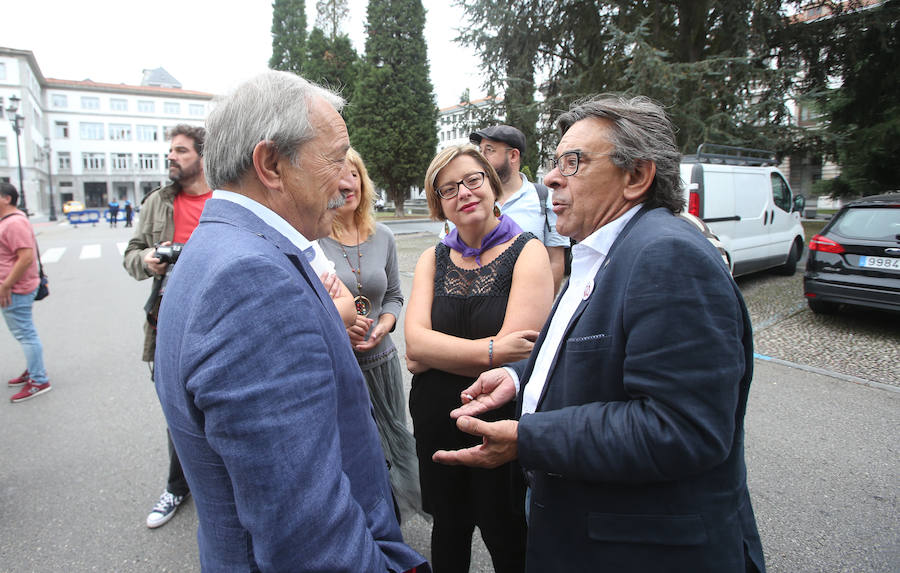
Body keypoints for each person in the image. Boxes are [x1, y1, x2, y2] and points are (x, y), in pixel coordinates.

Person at [433, 95, 766, 572]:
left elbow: (682, 428)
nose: (550, 179)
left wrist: (529, 437)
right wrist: (518, 377)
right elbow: (588, 353)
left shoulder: (667, 256)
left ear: (636, 177)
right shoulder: (604, 248)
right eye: (554, 163)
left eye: (573, 162)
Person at [153, 70, 428, 572]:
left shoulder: (220, 247)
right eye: (336, 157)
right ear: (271, 164)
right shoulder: (251, 279)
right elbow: (309, 539)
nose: (348, 179)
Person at [405, 145, 554, 572]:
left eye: (473, 180)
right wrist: (489, 351)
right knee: (448, 528)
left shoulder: (527, 251)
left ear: (491, 184)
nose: (464, 193)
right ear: (439, 204)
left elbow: (518, 352)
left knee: (505, 529)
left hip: (499, 415)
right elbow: (414, 348)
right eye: (449, 188)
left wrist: (437, 352)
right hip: (435, 416)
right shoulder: (432, 258)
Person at [318, 148, 423, 522]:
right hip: (343, 368)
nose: (349, 183)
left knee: (394, 442)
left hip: (383, 362)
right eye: (339, 175)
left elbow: (393, 295)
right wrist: (339, 328)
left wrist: (385, 323)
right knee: (358, 450)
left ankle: (394, 515)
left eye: (356, 175)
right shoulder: (314, 241)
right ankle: (364, 523)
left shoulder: (384, 237)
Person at [123, 124, 212, 529]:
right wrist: (146, 262)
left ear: (201, 155)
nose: (171, 157)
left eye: (180, 150)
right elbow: (132, 252)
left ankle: (223, 484)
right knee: (178, 413)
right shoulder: (157, 202)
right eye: (170, 151)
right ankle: (177, 487)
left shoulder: (225, 197)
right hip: (167, 324)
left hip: (217, 321)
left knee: (224, 406)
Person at [468, 125, 570, 292]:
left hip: (527, 306)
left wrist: (542, 309)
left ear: (513, 155)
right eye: (480, 150)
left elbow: (555, 260)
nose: (481, 157)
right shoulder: (471, 198)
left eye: (489, 150)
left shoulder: (543, 198)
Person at [1, 183, 51, 403]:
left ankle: (39, 378)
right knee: (24, 332)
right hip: (15, 287)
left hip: (16, 288)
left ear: (6, 198)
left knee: (25, 334)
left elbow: (26, 258)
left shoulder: (14, 223)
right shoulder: (10, 221)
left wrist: (5, 285)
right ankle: (33, 370)